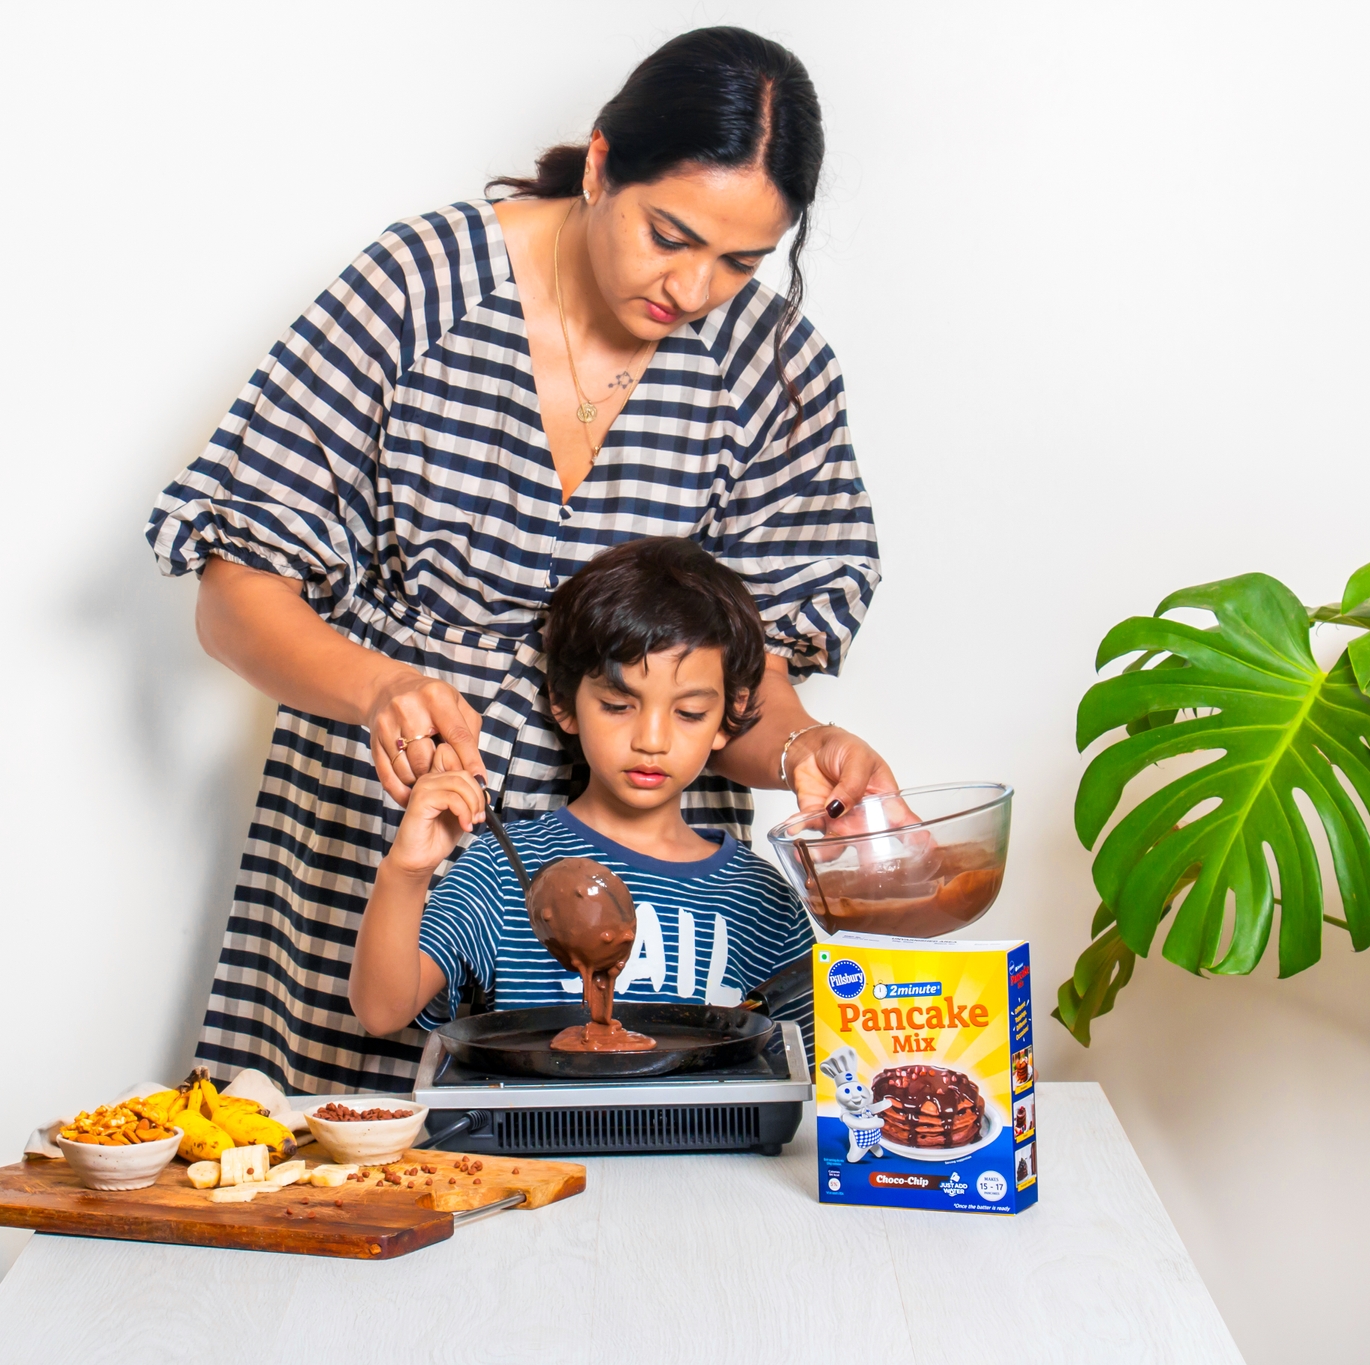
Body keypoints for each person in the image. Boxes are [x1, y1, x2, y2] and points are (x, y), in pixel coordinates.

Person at [148, 26, 892, 1093]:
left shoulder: (770, 369)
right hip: (391, 817)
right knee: (348, 1155)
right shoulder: (419, 287)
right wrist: (381, 688)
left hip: (645, 884)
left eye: (740, 262)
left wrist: (803, 752)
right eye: (668, 235)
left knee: (626, 1145)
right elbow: (233, 597)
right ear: (601, 165)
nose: (692, 288)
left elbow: (742, 685)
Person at [348, 538, 814, 1042]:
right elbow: (382, 1011)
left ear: (729, 713)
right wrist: (407, 870)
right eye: (618, 705)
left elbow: (819, 1065)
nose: (651, 740)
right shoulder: (505, 869)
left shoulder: (763, 898)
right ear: (564, 702)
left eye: (689, 713)